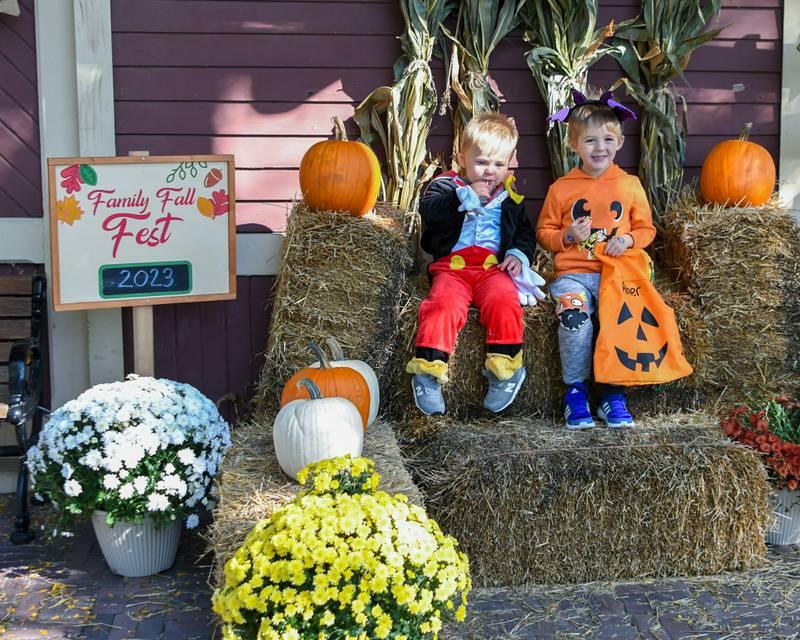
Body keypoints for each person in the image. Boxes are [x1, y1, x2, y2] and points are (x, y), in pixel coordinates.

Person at [406, 112, 545, 416]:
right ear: (462, 158)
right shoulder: (447, 186)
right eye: (481, 163)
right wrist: (461, 198)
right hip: (452, 269)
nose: (489, 172)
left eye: (499, 164)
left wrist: (516, 255)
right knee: (441, 304)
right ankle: (428, 372)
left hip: (491, 269)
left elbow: (524, 233)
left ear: (510, 163)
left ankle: (505, 370)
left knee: (504, 301)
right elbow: (430, 213)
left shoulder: (509, 198)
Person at [537, 90, 656, 429]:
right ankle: (575, 392)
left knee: (617, 319)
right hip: (572, 275)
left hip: (616, 274)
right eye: (590, 140)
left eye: (607, 139)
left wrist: (629, 239)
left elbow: (647, 229)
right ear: (574, 144)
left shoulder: (630, 185)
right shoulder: (561, 188)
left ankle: (611, 393)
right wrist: (568, 236)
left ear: (619, 142)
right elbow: (545, 233)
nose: (599, 147)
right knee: (574, 317)